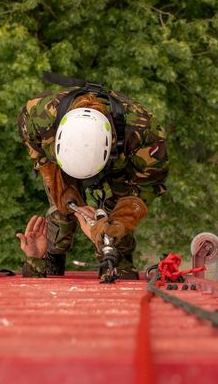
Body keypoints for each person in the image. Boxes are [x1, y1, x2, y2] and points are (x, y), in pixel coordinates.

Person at [17, 75, 168, 280]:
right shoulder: (37, 115)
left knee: (113, 236)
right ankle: (52, 257)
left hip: (122, 166)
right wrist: (62, 190)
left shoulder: (144, 131)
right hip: (61, 163)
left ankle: (115, 265)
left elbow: (147, 185)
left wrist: (116, 225)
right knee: (62, 213)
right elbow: (40, 156)